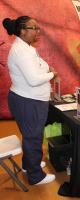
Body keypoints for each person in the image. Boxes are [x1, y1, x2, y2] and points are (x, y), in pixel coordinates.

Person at [2, 16, 57, 185]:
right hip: (29, 101)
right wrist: (52, 74)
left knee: (30, 136)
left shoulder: (26, 47)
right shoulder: (21, 51)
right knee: (33, 137)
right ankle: (35, 176)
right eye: (34, 28)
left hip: (28, 100)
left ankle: (28, 164)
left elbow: (39, 64)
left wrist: (47, 68)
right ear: (23, 31)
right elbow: (33, 80)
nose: (38, 31)